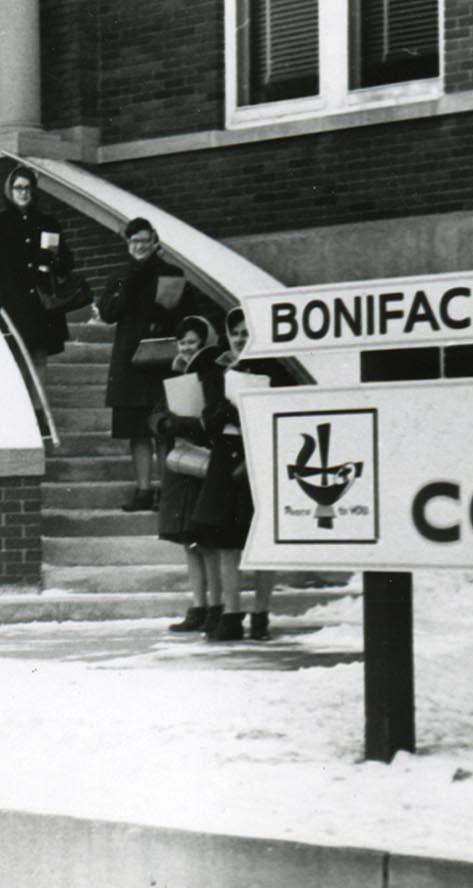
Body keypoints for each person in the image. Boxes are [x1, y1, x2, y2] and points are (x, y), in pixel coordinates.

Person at [190, 307, 302, 641]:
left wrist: (245, 405)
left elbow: (282, 411)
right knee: (225, 540)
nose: (240, 338)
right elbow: (209, 417)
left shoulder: (276, 369)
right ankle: (231, 613)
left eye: (246, 332)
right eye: (235, 332)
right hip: (226, 456)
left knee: (262, 539)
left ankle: (261, 613)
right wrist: (231, 399)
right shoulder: (219, 370)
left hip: (261, 454)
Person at [99, 217, 200, 512]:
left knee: (164, 429)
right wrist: (130, 283)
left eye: (144, 241)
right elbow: (108, 313)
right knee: (135, 430)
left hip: (162, 362)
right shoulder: (120, 276)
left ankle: (168, 491)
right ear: (127, 244)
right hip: (129, 364)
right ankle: (143, 490)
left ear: (155, 240)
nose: (139, 247)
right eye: (134, 242)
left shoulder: (171, 274)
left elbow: (186, 315)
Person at [0, 166, 81, 432]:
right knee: (16, 356)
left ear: (33, 191)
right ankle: (19, 413)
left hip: (40, 302)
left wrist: (54, 261)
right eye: (18, 188)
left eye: (27, 188)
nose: (23, 193)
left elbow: (65, 260)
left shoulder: (48, 224)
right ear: (9, 191)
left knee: (38, 356)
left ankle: (40, 414)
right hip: (13, 303)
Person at [152, 317, 226, 635]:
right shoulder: (172, 372)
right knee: (189, 542)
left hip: (203, 463)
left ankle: (216, 606)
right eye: (182, 342)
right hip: (179, 465)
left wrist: (181, 424)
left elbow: (214, 417)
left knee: (206, 541)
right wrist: (162, 424)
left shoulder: (215, 373)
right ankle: (198, 604)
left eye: (192, 342)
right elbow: (155, 411)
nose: (186, 348)